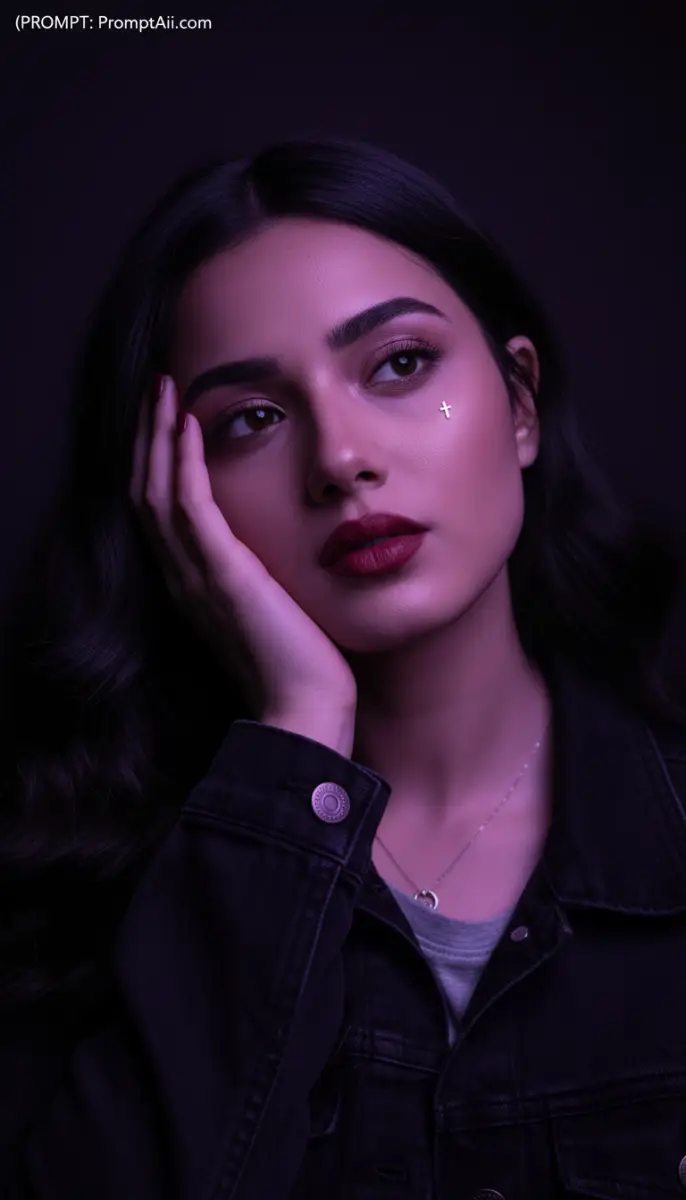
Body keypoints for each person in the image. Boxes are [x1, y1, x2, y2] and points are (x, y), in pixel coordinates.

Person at [1, 133, 686, 1200]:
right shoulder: (82, 883)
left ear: (516, 404)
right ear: (171, 495)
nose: (337, 457)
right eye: (252, 421)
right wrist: (297, 728)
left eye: (398, 364)